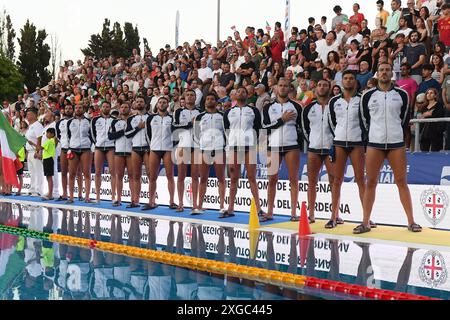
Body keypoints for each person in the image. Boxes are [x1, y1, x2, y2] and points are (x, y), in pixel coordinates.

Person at [357, 62, 422, 234]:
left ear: (392, 73)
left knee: (402, 182)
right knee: (370, 182)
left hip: (396, 143)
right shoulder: (367, 95)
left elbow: (404, 118)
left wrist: (395, 134)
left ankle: (411, 221)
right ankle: (365, 222)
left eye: (387, 70)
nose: (384, 73)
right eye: (381, 70)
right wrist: (371, 136)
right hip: (374, 144)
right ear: (377, 73)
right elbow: (364, 120)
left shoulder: (401, 94)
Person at [328, 71, 376, 229]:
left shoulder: (362, 99)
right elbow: (332, 123)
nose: (348, 81)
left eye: (351, 78)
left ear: (355, 81)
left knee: (361, 180)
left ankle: (366, 218)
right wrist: (339, 135)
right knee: (336, 180)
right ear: (341, 81)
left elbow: (367, 121)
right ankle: (333, 216)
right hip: (339, 142)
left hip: (357, 142)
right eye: (346, 78)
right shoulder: (334, 101)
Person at [261, 78, 303, 222]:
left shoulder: (297, 107)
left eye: (286, 86)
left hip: (292, 145)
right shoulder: (268, 107)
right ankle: (270, 212)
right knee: (272, 179)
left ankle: (293, 213)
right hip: (273, 146)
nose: (283, 88)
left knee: (293, 179)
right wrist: (282, 120)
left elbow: (301, 128)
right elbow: (264, 127)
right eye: (280, 85)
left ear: (290, 88)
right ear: (276, 88)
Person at [222, 86, 264, 218]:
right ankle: (230, 208)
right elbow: (226, 130)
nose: (241, 92)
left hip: (249, 147)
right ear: (234, 95)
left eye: (244, 91)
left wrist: (252, 141)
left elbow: (258, 128)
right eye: (238, 91)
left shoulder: (253, 110)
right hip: (234, 147)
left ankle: (258, 208)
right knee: (234, 178)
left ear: (248, 95)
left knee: (252, 177)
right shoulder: (228, 112)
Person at [301, 80, 334, 224]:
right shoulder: (308, 108)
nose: (321, 87)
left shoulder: (334, 106)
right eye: (319, 85)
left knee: (334, 182)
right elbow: (304, 129)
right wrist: (312, 142)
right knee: (312, 181)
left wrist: (334, 143)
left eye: (325, 85)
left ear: (329, 88)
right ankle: (311, 214)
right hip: (314, 148)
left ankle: (335, 214)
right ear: (315, 89)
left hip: (331, 148)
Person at [193, 93, 227, 215]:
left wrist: (223, 145)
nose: (209, 100)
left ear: (216, 101)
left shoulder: (223, 116)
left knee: (221, 178)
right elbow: (195, 135)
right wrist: (202, 146)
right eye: (207, 99)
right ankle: (199, 206)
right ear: (205, 102)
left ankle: (222, 205)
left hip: (219, 149)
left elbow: (227, 133)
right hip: (204, 150)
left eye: (212, 99)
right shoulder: (199, 117)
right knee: (203, 178)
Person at [171, 89, 201, 213]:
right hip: (183, 145)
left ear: (195, 97)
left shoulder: (200, 112)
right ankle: (181, 203)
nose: (190, 97)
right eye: (187, 95)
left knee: (195, 176)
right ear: (184, 97)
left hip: (196, 146)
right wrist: (190, 123)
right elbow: (174, 127)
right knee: (181, 176)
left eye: (192, 95)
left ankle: (195, 204)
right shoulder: (178, 111)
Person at [145, 97, 177, 211]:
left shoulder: (172, 118)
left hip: (168, 149)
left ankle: (172, 201)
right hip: (154, 149)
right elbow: (147, 134)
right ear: (157, 104)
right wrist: (151, 146)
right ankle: (151, 201)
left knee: (170, 176)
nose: (162, 104)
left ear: (168, 104)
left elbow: (175, 133)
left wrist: (172, 146)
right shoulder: (151, 118)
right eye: (160, 102)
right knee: (152, 177)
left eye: (164, 102)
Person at [125, 96, 150, 209]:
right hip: (135, 148)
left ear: (145, 104)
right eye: (137, 101)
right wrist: (138, 128)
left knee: (151, 176)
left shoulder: (150, 117)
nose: (139, 103)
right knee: (136, 175)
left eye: (141, 101)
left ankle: (151, 201)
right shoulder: (131, 119)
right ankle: (135, 200)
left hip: (147, 148)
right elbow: (127, 134)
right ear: (134, 104)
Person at [66, 103, 93, 204]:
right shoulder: (70, 122)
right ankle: (71, 197)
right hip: (73, 149)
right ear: (74, 110)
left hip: (86, 148)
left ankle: (87, 197)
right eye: (76, 108)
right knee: (72, 173)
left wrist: (90, 145)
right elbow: (68, 136)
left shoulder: (89, 121)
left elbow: (92, 135)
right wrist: (70, 147)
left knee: (86, 173)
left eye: (80, 107)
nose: (78, 109)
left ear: (83, 109)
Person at [91, 101, 116, 204]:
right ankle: (97, 196)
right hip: (99, 147)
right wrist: (96, 142)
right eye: (104, 106)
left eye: (107, 106)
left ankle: (113, 197)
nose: (105, 108)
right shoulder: (95, 119)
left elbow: (116, 133)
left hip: (111, 147)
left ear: (110, 108)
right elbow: (92, 133)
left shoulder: (114, 120)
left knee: (113, 172)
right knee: (97, 172)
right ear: (101, 108)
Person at [108, 103, 132, 207]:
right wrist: (123, 131)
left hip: (132, 151)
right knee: (119, 176)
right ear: (119, 109)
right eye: (122, 107)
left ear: (130, 109)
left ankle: (133, 199)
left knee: (132, 176)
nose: (123, 108)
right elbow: (110, 136)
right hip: (119, 151)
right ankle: (118, 199)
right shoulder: (114, 122)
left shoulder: (134, 121)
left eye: (126, 106)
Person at [24, 108, 44, 197]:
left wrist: (38, 151)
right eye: (27, 114)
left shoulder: (37, 125)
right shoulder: (30, 126)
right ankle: (32, 188)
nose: (27, 116)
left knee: (38, 171)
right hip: (30, 151)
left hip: (35, 151)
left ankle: (38, 189)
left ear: (34, 115)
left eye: (29, 114)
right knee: (32, 172)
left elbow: (40, 139)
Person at [41, 128, 57, 200]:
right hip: (47, 159)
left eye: (48, 133)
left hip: (48, 159)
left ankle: (50, 194)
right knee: (48, 177)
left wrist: (31, 143)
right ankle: (50, 193)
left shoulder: (49, 141)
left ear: (52, 134)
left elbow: (40, 147)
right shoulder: (52, 141)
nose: (47, 134)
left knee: (49, 177)